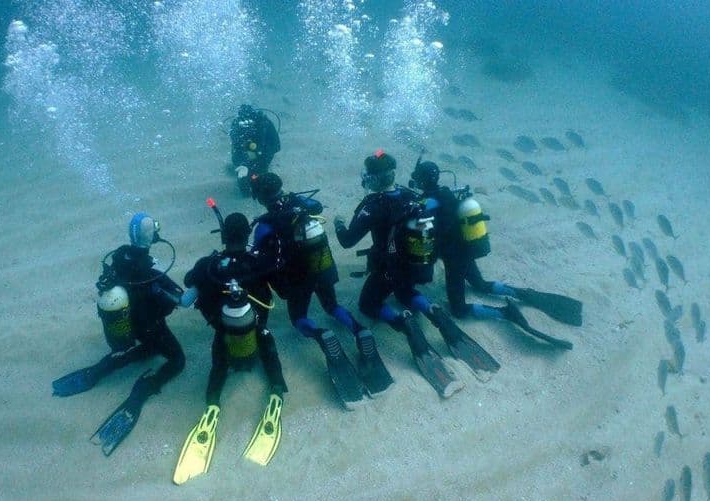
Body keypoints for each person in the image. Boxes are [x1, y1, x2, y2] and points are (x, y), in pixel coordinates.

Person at [332, 149, 491, 397]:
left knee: (367, 303)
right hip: (418, 264)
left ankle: (404, 322)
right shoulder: (412, 196)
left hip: (390, 269)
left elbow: (347, 241)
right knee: (405, 291)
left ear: (372, 179)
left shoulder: (372, 206)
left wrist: (339, 223)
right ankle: (433, 311)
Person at [52, 213, 195, 456]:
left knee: (148, 348)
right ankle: (146, 388)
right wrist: (200, 285)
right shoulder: (152, 271)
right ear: (152, 235)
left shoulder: (119, 255)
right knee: (177, 360)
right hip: (152, 325)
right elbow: (183, 300)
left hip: (128, 324)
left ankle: (101, 368)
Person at [249, 172, 393, 407]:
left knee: (299, 319)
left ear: (260, 198)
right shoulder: (299, 204)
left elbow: (256, 252)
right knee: (332, 305)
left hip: (297, 279)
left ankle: (321, 335)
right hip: (322, 267)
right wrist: (292, 200)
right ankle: (358, 330)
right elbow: (316, 205)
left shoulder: (265, 224)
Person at [408, 157, 581, 345]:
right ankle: (519, 293)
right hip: (466, 249)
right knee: (479, 284)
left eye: (418, 179)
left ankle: (504, 313)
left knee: (458, 309)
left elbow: (419, 220)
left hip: (454, 258)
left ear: (423, 180)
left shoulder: (430, 201)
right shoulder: (446, 192)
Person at [173, 212, 287, 483]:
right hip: (258, 327)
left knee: (219, 365)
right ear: (246, 235)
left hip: (223, 332)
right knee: (269, 349)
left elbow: (189, 282)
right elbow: (282, 280)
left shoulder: (208, 265)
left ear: (224, 236)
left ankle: (212, 405)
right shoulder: (258, 261)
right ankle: (277, 391)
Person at [229, 104, 281, 194]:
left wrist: (263, 160)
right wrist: (243, 164)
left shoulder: (264, 123)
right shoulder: (237, 126)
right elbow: (236, 149)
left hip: (264, 152)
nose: (248, 125)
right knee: (244, 185)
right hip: (246, 154)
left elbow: (275, 145)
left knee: (262, 174)